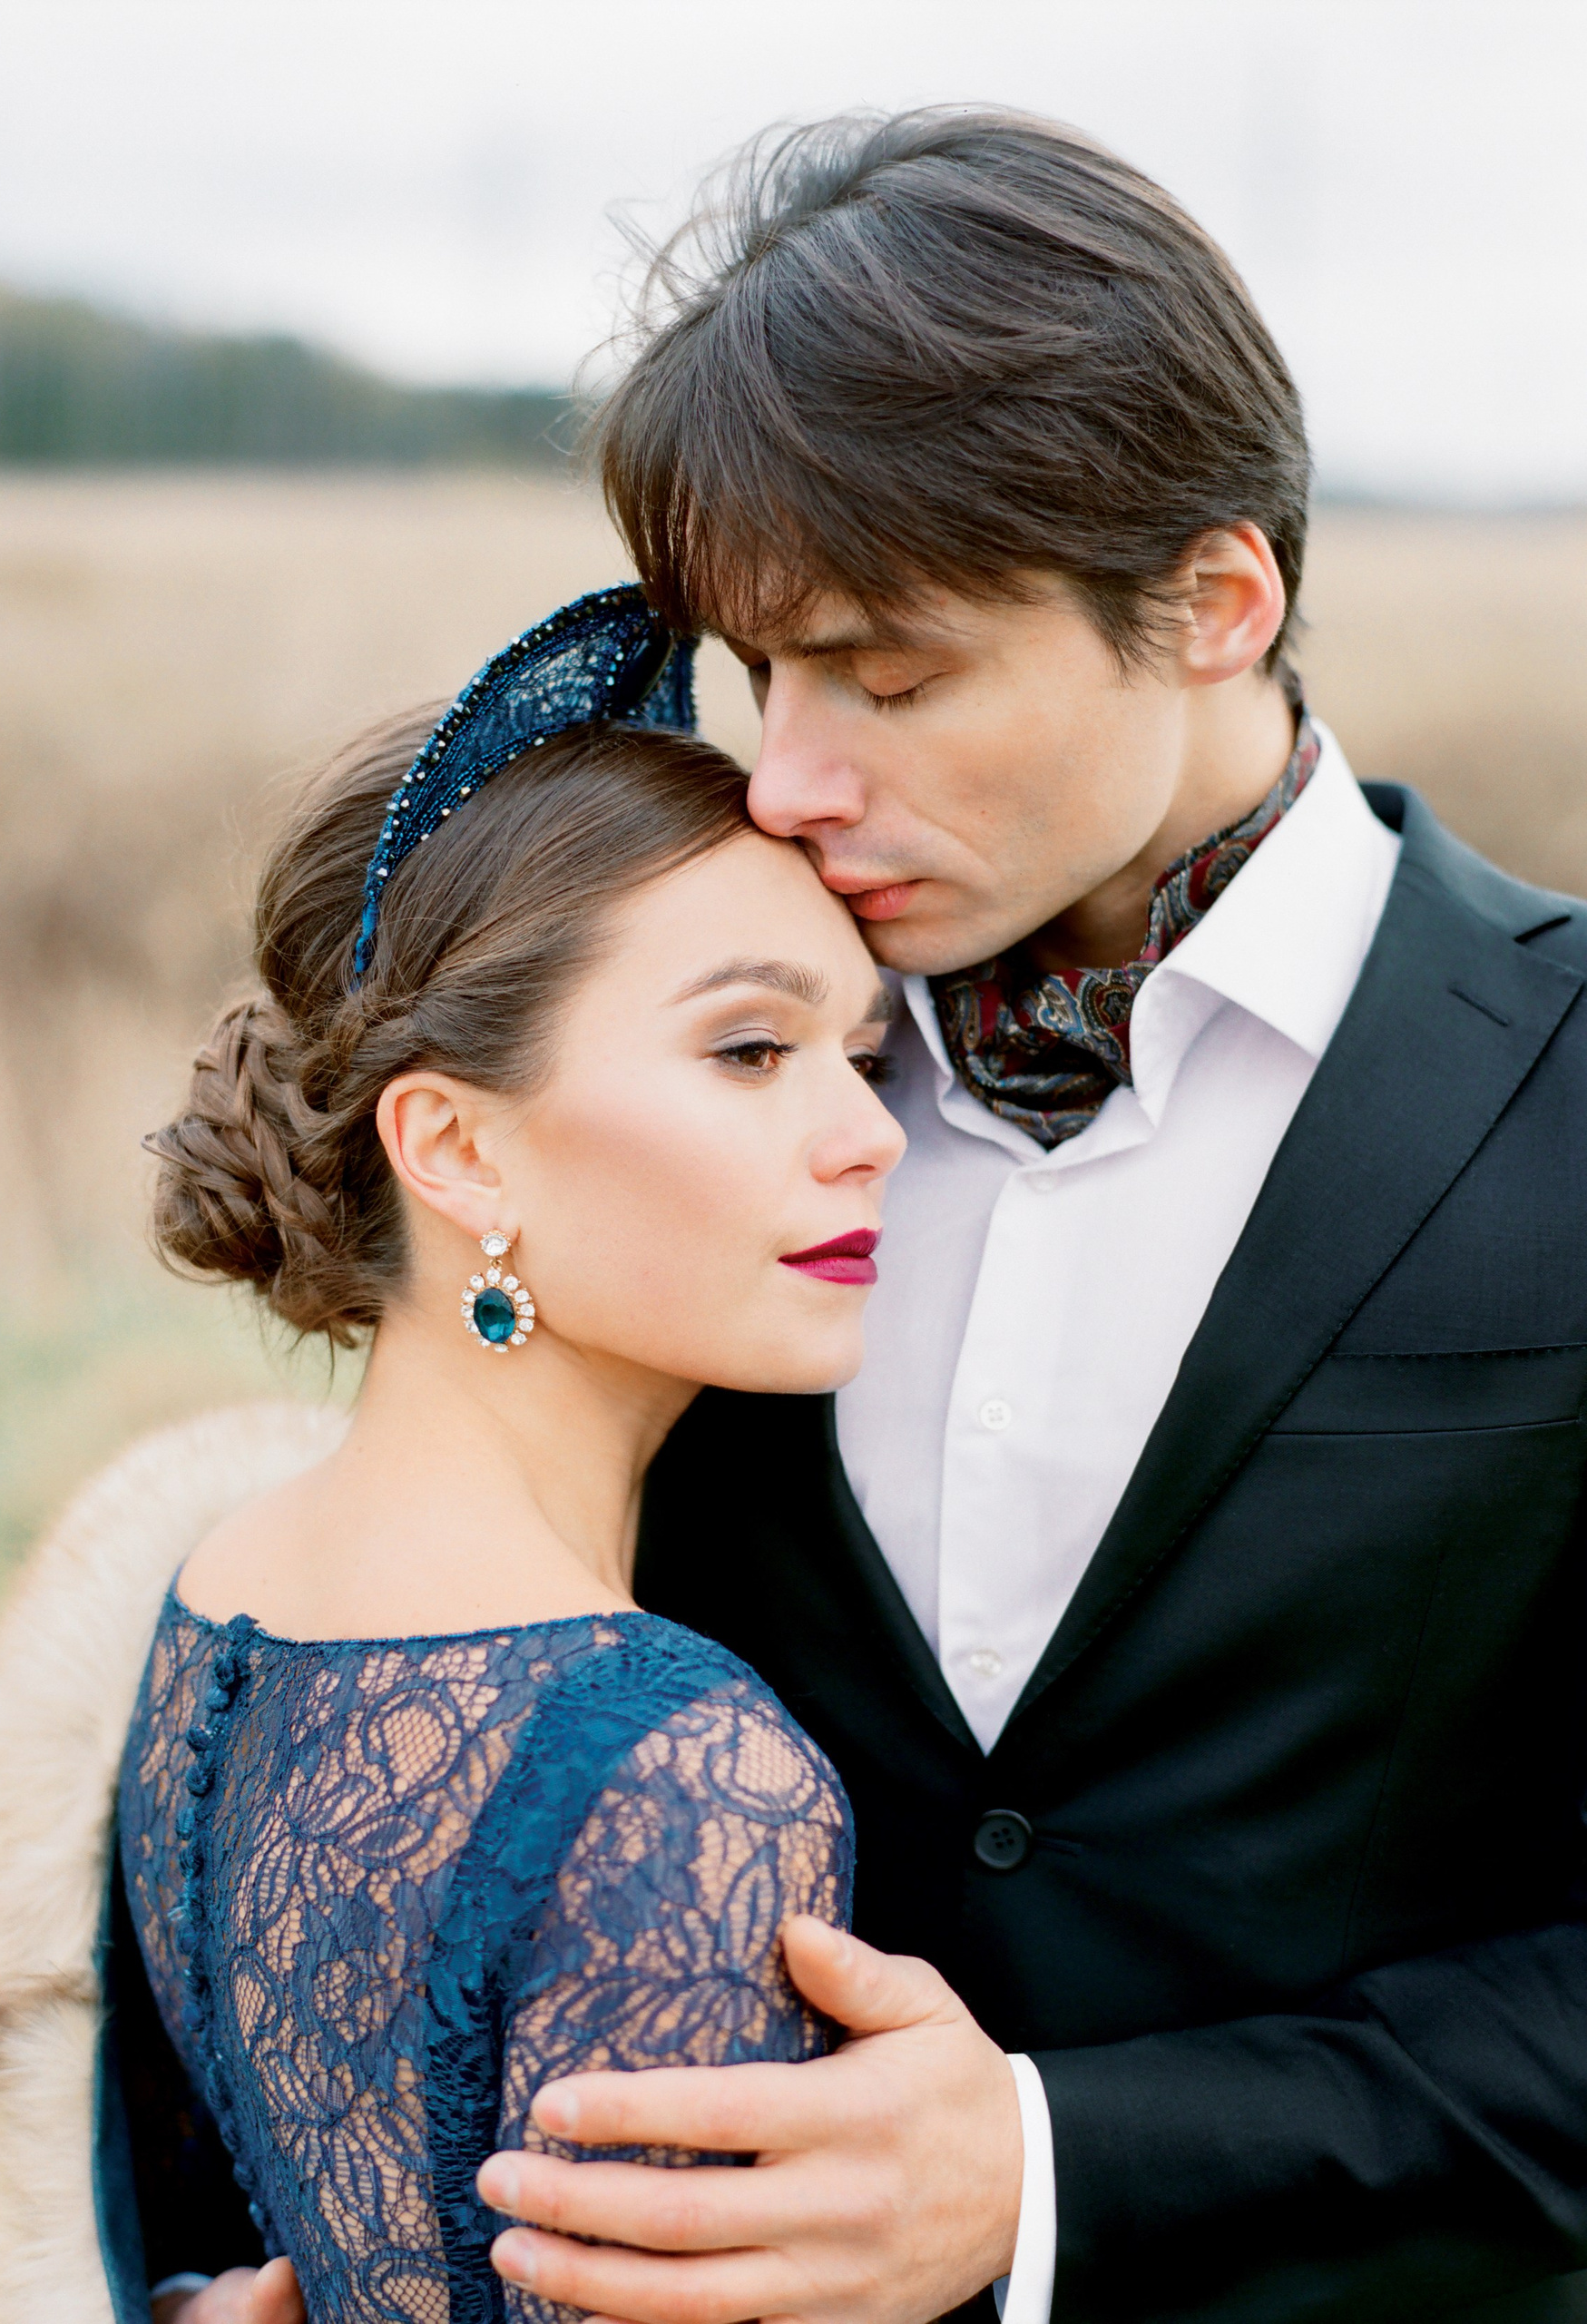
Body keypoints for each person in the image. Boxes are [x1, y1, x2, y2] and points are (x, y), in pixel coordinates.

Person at [454, 110, 1587, 2324]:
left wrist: (1060, 2169)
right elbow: (431, 1654)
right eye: (757, 676)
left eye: (889, 676)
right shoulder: (682, 1079)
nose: (790, 781)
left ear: (1216, 602)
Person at [0, 588, 916, 2323]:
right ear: (452, 1146)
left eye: (863, 1050)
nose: (870, 1132)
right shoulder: (681, 1775)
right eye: (752, 1049)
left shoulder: (220, 1594)